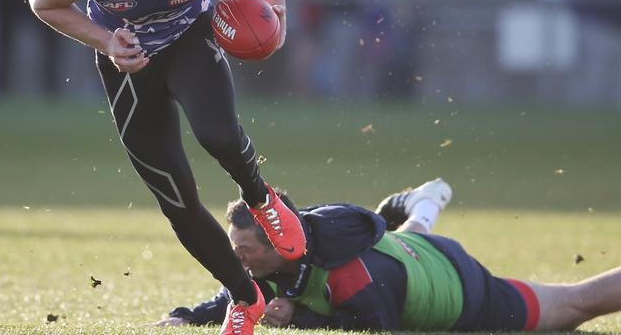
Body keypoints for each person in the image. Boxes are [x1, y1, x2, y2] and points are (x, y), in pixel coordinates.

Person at [28, 0, 306, 335]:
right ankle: (244, 298)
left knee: (216, 134)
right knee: (175, 197)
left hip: (188, 39)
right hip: (128, 57)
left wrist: (275, 4)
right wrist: (105, 42)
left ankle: (261, 198)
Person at [157, 178, 621, 332]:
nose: (237, 262)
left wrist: (299, 316)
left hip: (462, 288)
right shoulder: (282, 250)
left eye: (243, 252)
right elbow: (239, 292)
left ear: (277, 244)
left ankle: (421, 209)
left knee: (576, 306)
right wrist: (187, 315)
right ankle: (423, 205)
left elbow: (373, 325)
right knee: (403, 234)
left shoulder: (349, 275)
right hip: (407, 249)